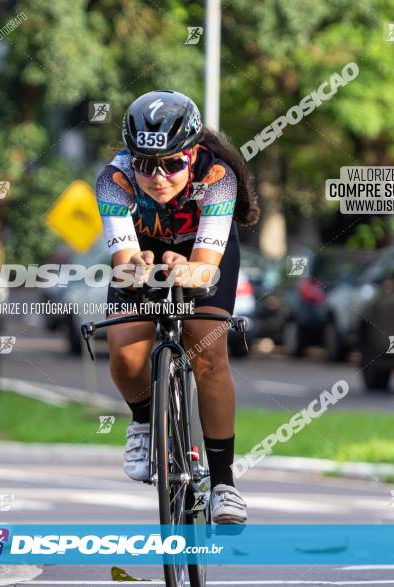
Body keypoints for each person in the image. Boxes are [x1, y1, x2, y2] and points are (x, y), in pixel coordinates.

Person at [95, 89, 260, 524]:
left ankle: (224, 483)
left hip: (201, 248)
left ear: (192, 153)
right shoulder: (114, 179)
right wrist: (140, 266)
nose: (158, 176)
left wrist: (186, 269)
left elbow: (206, 270)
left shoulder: (217, 176)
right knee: (126, 349)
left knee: (207, 352)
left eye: (172, 163)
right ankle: (144, 421)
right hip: (145, 247)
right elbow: (125, 262)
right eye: (146, 164)